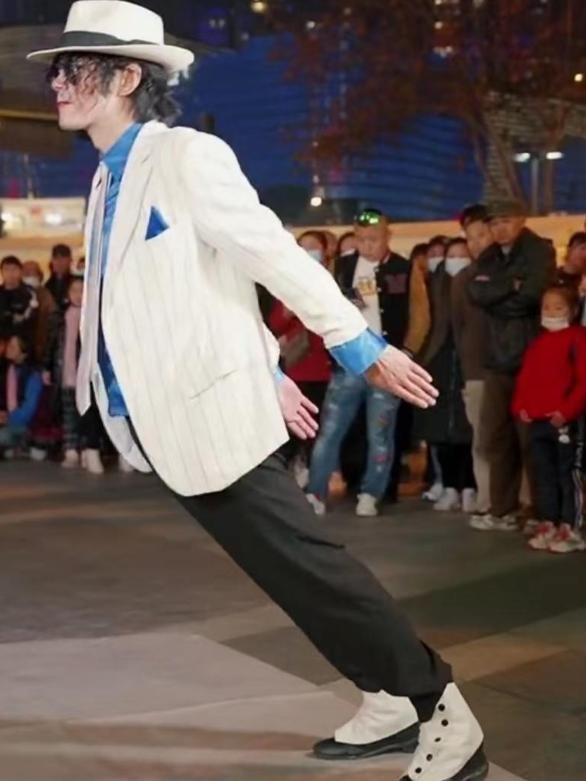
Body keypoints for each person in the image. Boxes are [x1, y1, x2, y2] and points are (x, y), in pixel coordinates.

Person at [27, 5, 488, 781]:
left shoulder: (185, 155)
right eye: (57, 69)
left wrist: (357, 343)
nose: (58, 83)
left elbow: (270, 253)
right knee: (286, 573)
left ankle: (441, 706)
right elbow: (206, 286)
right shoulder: (108, 176)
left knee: (311, 566)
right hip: (171, 421)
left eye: (75, 68)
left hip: (213, 412)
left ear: (128, 76)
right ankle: (386, 698)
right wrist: (268, 366)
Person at [306, 208, 430, 517]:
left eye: (373, 239)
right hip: (348, 363)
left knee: (380, 434)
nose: (367, 245)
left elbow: (420, 315)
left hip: (386, 365)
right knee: (330, 431)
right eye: (361, 239)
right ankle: (316, 491)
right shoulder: (342, 266)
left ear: (387, 236)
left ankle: (371, 493)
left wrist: (407, 353)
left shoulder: (404, 268)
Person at [468, 199, 556, 531]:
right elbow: (476, 293)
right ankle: (502, 508)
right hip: (496, 359)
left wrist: (497, 295)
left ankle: (539, 511)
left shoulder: (538, 250)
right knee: (496, 437)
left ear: (521, 219)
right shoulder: (490, 255)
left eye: (505, 221)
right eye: (494, 223)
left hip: (529, 358)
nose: (499, 228)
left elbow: (532, 296)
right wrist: (509, 286)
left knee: (531, 439)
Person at [512, 286, 586, 553]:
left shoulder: (578, 339)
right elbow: (525, 379)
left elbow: (583, 382)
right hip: (537, 422)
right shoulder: (538, 343)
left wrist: (566, 411)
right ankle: (549, 521)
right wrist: (520, 407)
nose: (551, 312)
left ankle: (571, 526)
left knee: (568, 474)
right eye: (546, 307)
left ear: (572, 310)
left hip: (564, 422)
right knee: (542, 473)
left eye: (558, 307)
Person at [269, 230, 332, 487]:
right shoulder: (284, 281)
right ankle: (296, 467)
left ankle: (316, 478)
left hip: (328, 368)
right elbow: (274, 324)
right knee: (296, 425)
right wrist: (287, 313)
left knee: (323, 428)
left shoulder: (333, 279)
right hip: (298, 368)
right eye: (303, 246)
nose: (308, 252)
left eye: (314, 247)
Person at [416, 238, 475, 512]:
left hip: (469, 360)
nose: (456, 260)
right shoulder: (431, 285)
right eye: (452, 255)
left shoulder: (477, 284)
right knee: (440, 430)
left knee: (468, 428)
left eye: (463, 255)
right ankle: (449, 486)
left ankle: (470, 487)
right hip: (437, 361)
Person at [451, 206, 494, 524]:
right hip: (477, 370)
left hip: (512, 368)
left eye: (482, 234)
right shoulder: (462, 280)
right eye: (471, 237)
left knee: (515, 441)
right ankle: (486, 500)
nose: (477, 242)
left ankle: (522, 503)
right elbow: (458, 327)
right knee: (482, 440)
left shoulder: (513, 273)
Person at [43, 277, 108, 474]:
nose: (78, 295)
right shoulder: (59, 316)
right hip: (65, 372)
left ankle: (88, 449)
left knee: (88, 413)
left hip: (86, 374)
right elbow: (51, 343)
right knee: (69, 413)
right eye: (74, 291)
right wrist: (47, 367)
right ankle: (70, 450)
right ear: (68, 293)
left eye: (82, 290)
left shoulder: (95, 315)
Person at [0, 334, 43, 455]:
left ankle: (20, 445)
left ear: (23, 353)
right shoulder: (8, 370)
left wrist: (8, 418)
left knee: (4, 435)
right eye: (9, 345)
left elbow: (29, 410)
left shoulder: (32, 375)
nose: (8, 348)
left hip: (24, 425)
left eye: (13, 346)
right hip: (8, 420)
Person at [22, 260, 58, 365]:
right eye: (25, 272)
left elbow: (52, 320)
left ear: (39, 275)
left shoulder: (46, 295)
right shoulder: (17, 293)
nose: (28, 275)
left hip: (40, 348)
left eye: (32, 272)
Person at [0, 256, 39, 343]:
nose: (10, 273)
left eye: (14, 269)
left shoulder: (30, 293)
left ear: (20, 271)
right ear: (2, 272)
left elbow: (33, 322)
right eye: (6, 269)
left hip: (23, 343)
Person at [45, 243, 74, 311]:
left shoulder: (76, 283)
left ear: (70, 260)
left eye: (63, 258)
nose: (59, 262)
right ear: (52, 261)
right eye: (56, 258)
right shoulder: (47, 285)